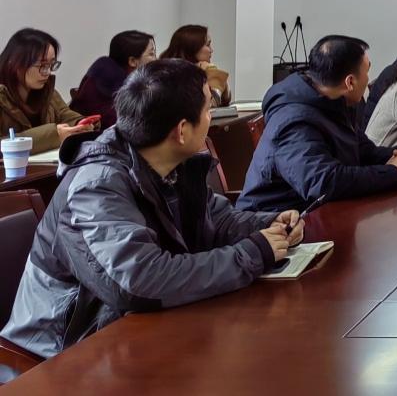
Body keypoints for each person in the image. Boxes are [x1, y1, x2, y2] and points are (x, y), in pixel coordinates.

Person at [1, 59, 300, 359]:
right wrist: (251, 254)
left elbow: (215, 220)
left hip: (127, 329)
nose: (211, 117)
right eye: (208, 109)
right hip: (64, 352)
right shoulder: (96, 185)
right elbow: (139, 280)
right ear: (181, 131)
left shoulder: (170, 163)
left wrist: (268, 224)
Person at [236, 35, 397, 213]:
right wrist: (394, 173)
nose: (368, 80)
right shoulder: (292, 120)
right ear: (350, 82)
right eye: (367, 72)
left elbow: (362, 150)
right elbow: (323, 183)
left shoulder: (335, 101)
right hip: (274, 223)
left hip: (317, 213)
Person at [0, 28, 96, 152]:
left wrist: (80, 124)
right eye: (42, 65)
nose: (47, 72)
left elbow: (65, 115)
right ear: (15, 63)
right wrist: (53, 135)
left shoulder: (47, 91)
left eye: (51, 65)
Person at [70, 30, 156, 129]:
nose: (156, 59)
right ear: (132, 61)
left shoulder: (122, 77)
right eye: (151, 54)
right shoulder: (107, 84)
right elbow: (127, 126)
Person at [161, 24, 232, 107]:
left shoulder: (201, 70)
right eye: (208, 45)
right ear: (193, 48)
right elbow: (210, 105)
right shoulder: (174, 77)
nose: (211, 50)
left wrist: (214, 74)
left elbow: (225, 100)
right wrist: (214, 74)